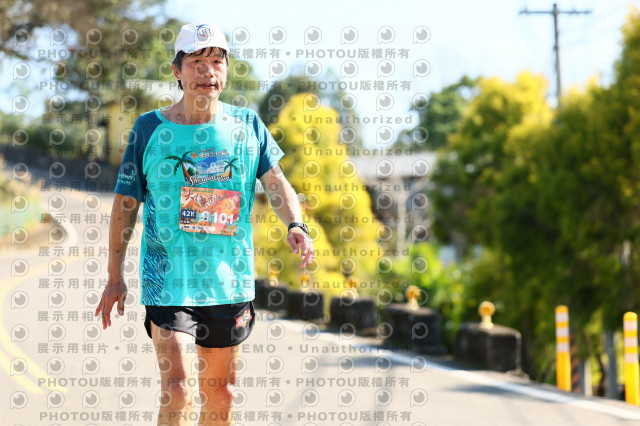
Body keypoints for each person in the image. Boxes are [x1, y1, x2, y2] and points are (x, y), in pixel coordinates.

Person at [95, 22, 315, 426]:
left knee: (222, 395)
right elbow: (125, 205)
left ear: (226, 70)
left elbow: (276, 182)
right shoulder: (149, 129)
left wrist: (295, 224)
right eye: (196, 62)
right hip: (168, 281)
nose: (207, 72)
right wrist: (115, 276)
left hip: (228, 281)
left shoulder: (248, 126)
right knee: (178, 390)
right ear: (177, 71)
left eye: (216, 62)